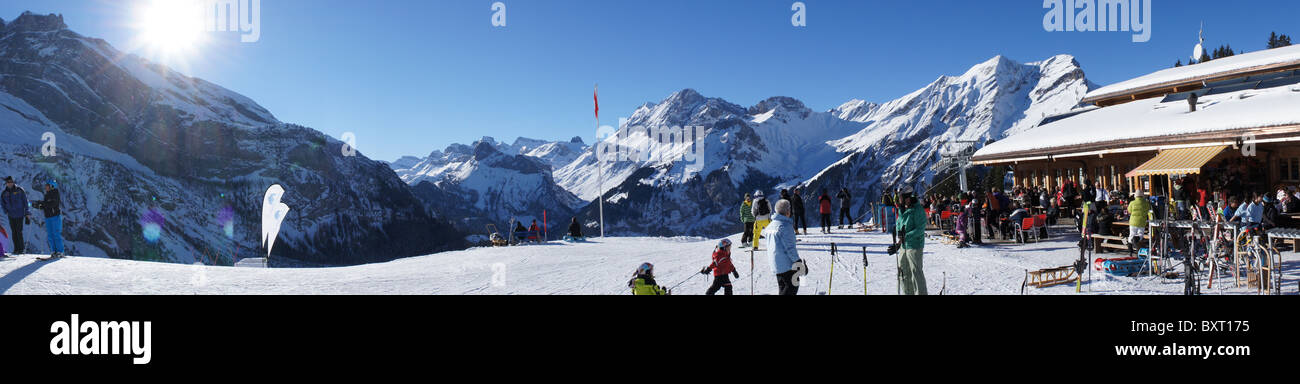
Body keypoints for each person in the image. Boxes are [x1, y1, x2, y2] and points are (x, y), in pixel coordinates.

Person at [894, 192, 928, 295]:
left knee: (915, 272)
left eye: (901, 199)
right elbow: (899, 224)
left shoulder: (917, 210)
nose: (900, 202)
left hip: (914, 245)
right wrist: (898, 237)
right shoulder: (902, 209)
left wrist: (906, 236)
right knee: (903, 271)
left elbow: (920, 228)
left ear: (907, 199)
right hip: (904, 246)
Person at [767, 199, 802, 295]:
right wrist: (798, 262)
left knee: (783, 287)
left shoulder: (770, 226)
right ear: (787, 211)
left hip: (776, 264)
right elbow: (790, 247)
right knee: (792, 286)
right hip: (787, 265)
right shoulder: (785, 226)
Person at [30, 179, 63, 257]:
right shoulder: (47, 195)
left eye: (47, 186)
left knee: (56, 234)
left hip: (55, 216)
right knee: (50, 235)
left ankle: (60, 251)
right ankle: (53, 251)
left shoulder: (55, 194)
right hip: (48, 217)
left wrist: (42, 204)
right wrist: (38, 205)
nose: (45, 187)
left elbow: (52, 204)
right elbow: (46, 205)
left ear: (52, 186)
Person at [2, 176, 31, 255]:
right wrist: (6, 211)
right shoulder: (4, 193)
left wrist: (27, 212)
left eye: (11, 182)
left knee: (19, 231)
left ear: (13, 182)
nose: (10, 183)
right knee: (14, 232)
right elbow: (2, 203)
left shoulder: (19, 190)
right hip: (11, 215)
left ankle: (20, 249)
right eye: (8, 182)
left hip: (19, 214)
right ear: (6, 183)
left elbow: (25, 201)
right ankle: (16, 249)